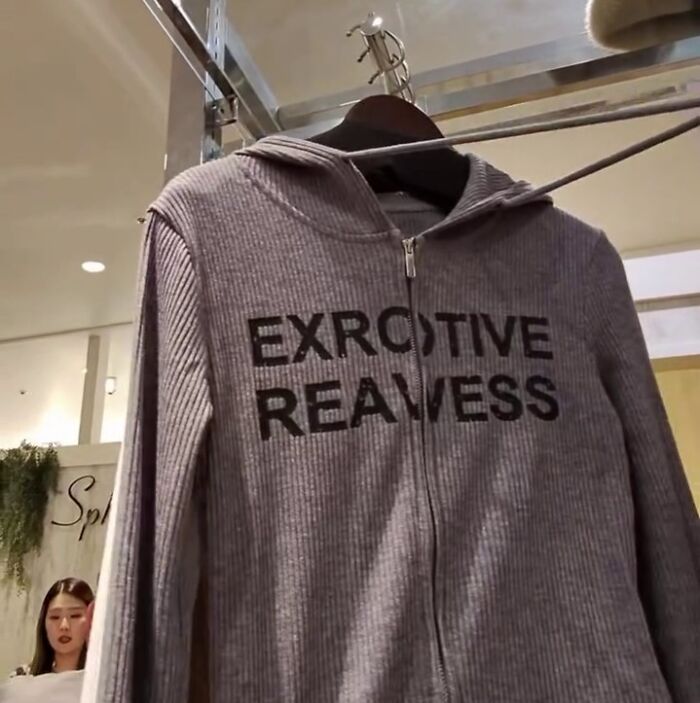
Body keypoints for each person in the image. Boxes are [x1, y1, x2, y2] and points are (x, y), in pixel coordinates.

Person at [11, 577, 95, 677]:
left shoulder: (101, 678)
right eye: (55, 617)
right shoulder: (22, 677)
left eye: (75, 616)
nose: (64, 626)